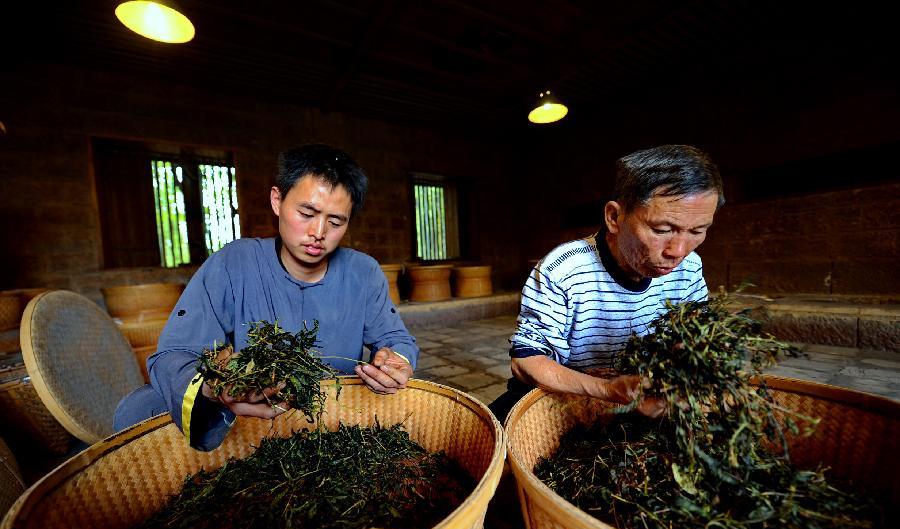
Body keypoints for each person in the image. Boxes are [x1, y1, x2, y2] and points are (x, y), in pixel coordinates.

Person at [114, 144, 418, 450]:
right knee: (140, 409)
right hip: (254, 428)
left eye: (336, 221)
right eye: (306, 213)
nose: (318, 231)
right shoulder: (234, 263)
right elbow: (174, 353)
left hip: (334, 425)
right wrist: (215, 388)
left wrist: (396, 362)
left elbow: (396, 339)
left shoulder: (363, 272)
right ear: (277, 200)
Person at [490, 144, 724, 423]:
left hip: (641, 400)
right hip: (561, 396)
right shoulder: (563, 269)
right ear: (615, 217)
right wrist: (608, 389)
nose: (679, 250)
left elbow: (695, 338)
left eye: (698, 231)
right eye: (662, 230)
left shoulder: (689, 267)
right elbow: (526, 361)